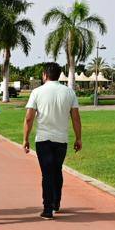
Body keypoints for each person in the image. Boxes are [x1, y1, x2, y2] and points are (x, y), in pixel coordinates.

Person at [22, 62, 82, 220]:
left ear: (44, 75)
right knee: (57, 170)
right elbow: (76, 118)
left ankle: (48, 208)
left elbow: (29, 118)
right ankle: (56, 203)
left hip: (43, 139)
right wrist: (78, 138)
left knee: (47, 174)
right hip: (61, 140)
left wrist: (25, 139)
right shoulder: (69, 93)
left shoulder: (37, 92)